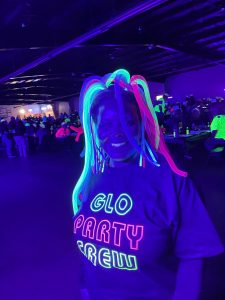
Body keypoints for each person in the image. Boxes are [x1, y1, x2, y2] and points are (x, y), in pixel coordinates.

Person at [73, 69, 224, 300]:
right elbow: (91, 254)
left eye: (128, 121)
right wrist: (85, 289)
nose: (117, 132)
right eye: (107, 123)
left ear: (142, 124)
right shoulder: (91, 178)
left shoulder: (171, 179)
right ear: (94, 128)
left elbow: (193, 258)